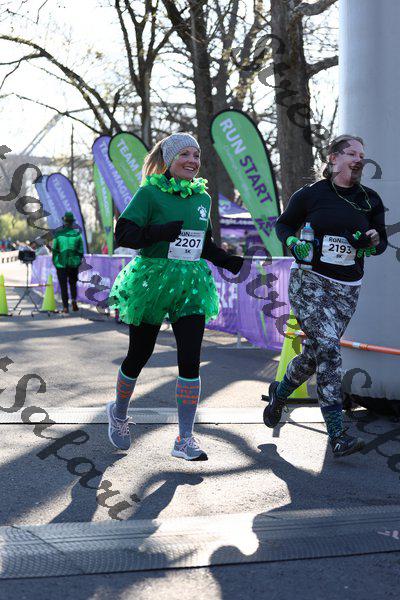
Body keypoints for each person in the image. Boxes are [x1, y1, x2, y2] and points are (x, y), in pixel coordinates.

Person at [107, 132, 243, 459]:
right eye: (185, 154)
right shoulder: (150, 193)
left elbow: (202, 243)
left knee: (191, 359)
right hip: (152, 281)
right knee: (139, 354)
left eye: (196, 156)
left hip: (191, 284)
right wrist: (158, 233)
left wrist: (226, 260)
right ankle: (119, 412)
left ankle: (184, 438)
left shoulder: (202, 198)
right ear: (169, 159)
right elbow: (124, 234)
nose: (192, 161)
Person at [264, 134, 387, 457]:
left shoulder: (370, 200)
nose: (359, 159)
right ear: (333, 158)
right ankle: (337, 434)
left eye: (361, 155)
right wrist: (293, 242)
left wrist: (371, 240)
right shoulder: (311, 194)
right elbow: (283, 225)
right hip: (309, 282)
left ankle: (280, 393)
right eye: (352, 153)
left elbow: (381, 243)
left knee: (315, 354)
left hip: (347, 288)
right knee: (330, 350)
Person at [52, 211, 84, 313]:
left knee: (63, 285)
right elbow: (80, 251)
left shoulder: (58, 234)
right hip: (73, 264)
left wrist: (56, 263)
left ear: (64, 222)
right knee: (73, 283)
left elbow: (54, 250)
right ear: (72, 222)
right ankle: (74, 300)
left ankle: (65, 307)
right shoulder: (77, 234)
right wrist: (77, 261)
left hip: (61, 264)